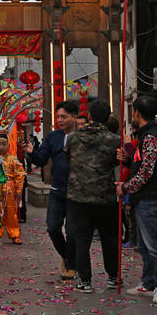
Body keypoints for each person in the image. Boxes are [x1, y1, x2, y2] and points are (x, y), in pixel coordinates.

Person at [117, 96, 157, 305]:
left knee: (154, 245)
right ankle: (148, 283)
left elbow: (147, 171)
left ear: (137, 113)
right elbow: (143, 164)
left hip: (150, 198)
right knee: (146, 246)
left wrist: (126, 187)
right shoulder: (146, 135)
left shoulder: (151, 137)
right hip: (143, 198)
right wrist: (128, 160)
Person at [65, 97, 120, 292]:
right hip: (105, 197)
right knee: (109, 239)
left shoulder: (73, 138)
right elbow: (118, 163)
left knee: (82, 240)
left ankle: (85, 281)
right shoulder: (114, 140)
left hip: (78, 197)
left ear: (88, 116)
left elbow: (67, 158)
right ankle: (113, 276)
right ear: (108, 117)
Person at [25, 100, 79, 280]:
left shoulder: (82, 137)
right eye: (58, 117)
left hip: (76, 191)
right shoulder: (52, 137)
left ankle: (71, 265)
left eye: (64, 117)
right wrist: (31, 152)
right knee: (53, 228)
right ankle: (66, 256)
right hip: (57, 190)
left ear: (74, 117)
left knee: (72, 232)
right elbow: (41, 160)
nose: (60, 120)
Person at [0, 134, 26, 245]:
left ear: (9, 145)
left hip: (9, 187)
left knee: (11, 213)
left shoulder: (13, 159)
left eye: (3, 144)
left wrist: (19, 189)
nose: (1, 147)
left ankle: (15, 234)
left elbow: (20, 175)